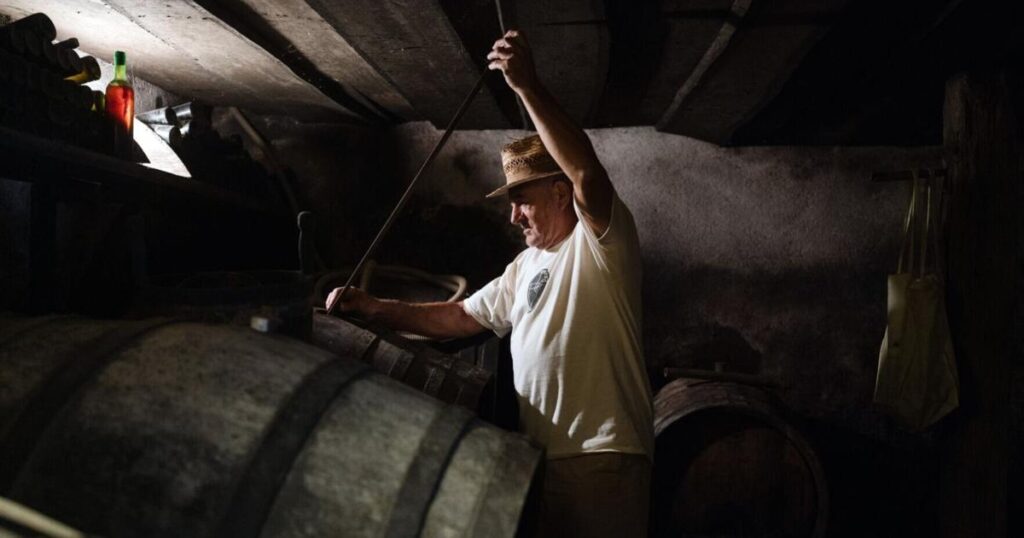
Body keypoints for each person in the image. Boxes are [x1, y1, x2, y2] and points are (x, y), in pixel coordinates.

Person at [327, 30, 653, 537]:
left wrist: (527, 88)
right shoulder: (524, 267)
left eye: (522, 198)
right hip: (540, 460)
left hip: (602, 457)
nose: (514, 215)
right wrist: (373, 307)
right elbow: (457, 318)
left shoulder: (599, 243)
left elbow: (587, 171)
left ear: (560, 192)